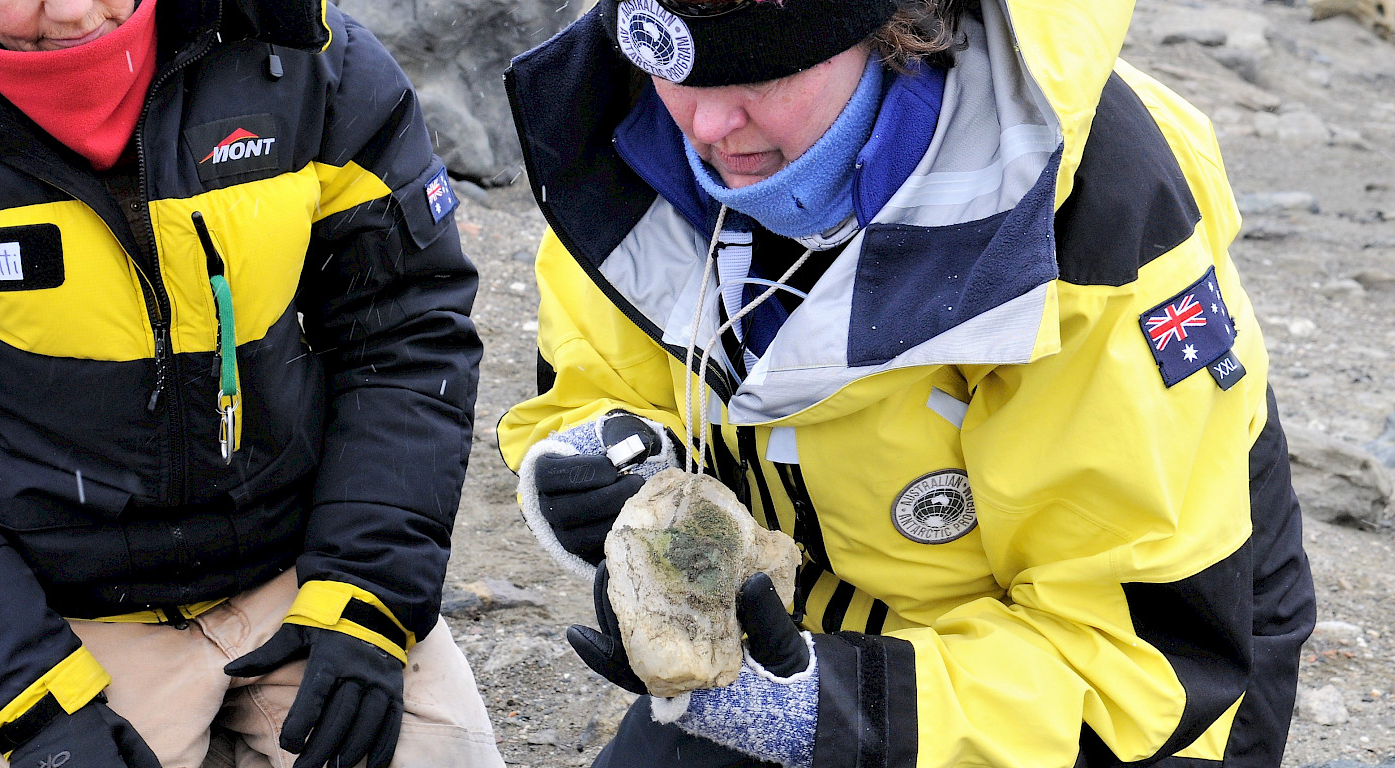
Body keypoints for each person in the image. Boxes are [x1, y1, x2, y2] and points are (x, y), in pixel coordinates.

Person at [495, 0, 1316, 766]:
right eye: (671, 65)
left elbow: (1139, 667)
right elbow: (596, 382)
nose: (707, 123)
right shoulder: (623, 138)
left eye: (760, 73)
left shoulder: (1085, 222)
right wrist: (595, 467)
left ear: (893, 29)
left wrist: (834, 714)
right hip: (795, 642)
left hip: (1122, 698)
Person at [0, 0, 498, 766]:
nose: (74, 13)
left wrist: (368, 595)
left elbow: (402, 329)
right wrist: (26, 699)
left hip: (299, 568)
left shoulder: (308, 51)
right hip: (53, 615)